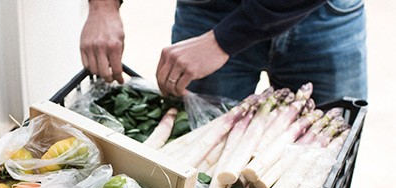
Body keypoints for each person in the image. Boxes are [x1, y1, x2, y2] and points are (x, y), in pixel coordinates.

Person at [80, 0, 367, 105]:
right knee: (204, 172)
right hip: (208, 10)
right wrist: (103, 4)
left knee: (322, 172)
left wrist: (222, 41)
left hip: (320, 14)